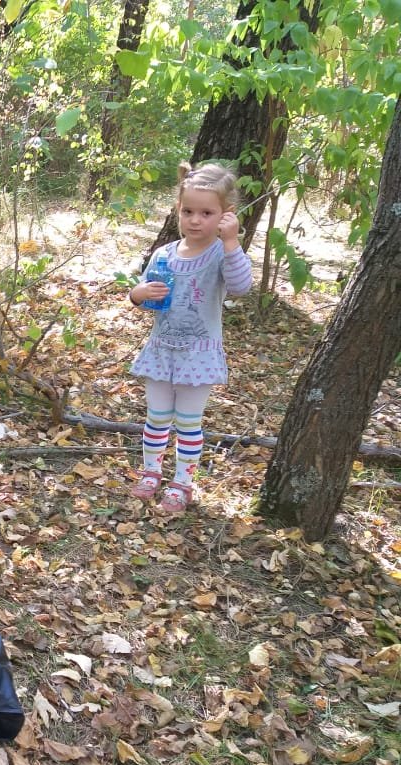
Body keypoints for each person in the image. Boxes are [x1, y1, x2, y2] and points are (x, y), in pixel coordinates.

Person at [126, 162, 253, 513]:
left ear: (226, 215)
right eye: (188, 211)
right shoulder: (164, 254)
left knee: (188, 422)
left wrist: (231, 242)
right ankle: (151, 472)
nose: (196, 220)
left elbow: (241, 287)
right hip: (161, 349)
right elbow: (149, 300)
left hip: (199, 352)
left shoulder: (221, 253)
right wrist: (138, 294)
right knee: (156, 416)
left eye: (207, 213)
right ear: (178, 211)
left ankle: (183, 481)